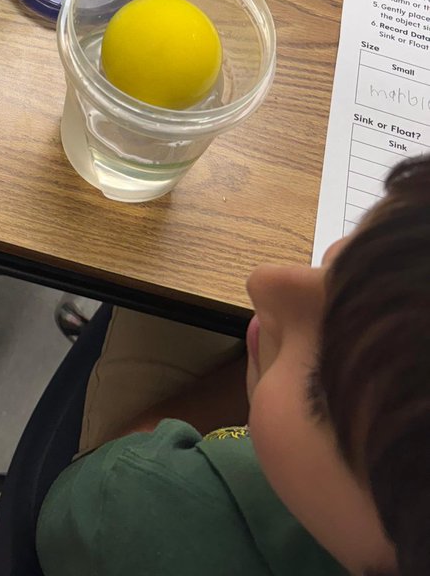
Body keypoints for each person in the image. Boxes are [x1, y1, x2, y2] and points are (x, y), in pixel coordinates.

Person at [36, 154, 430, 575]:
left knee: (159, 260)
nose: (264, 280)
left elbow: (95, 494)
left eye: (323, 385)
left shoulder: (141, 509)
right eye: (350, 258)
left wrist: (255, 367)